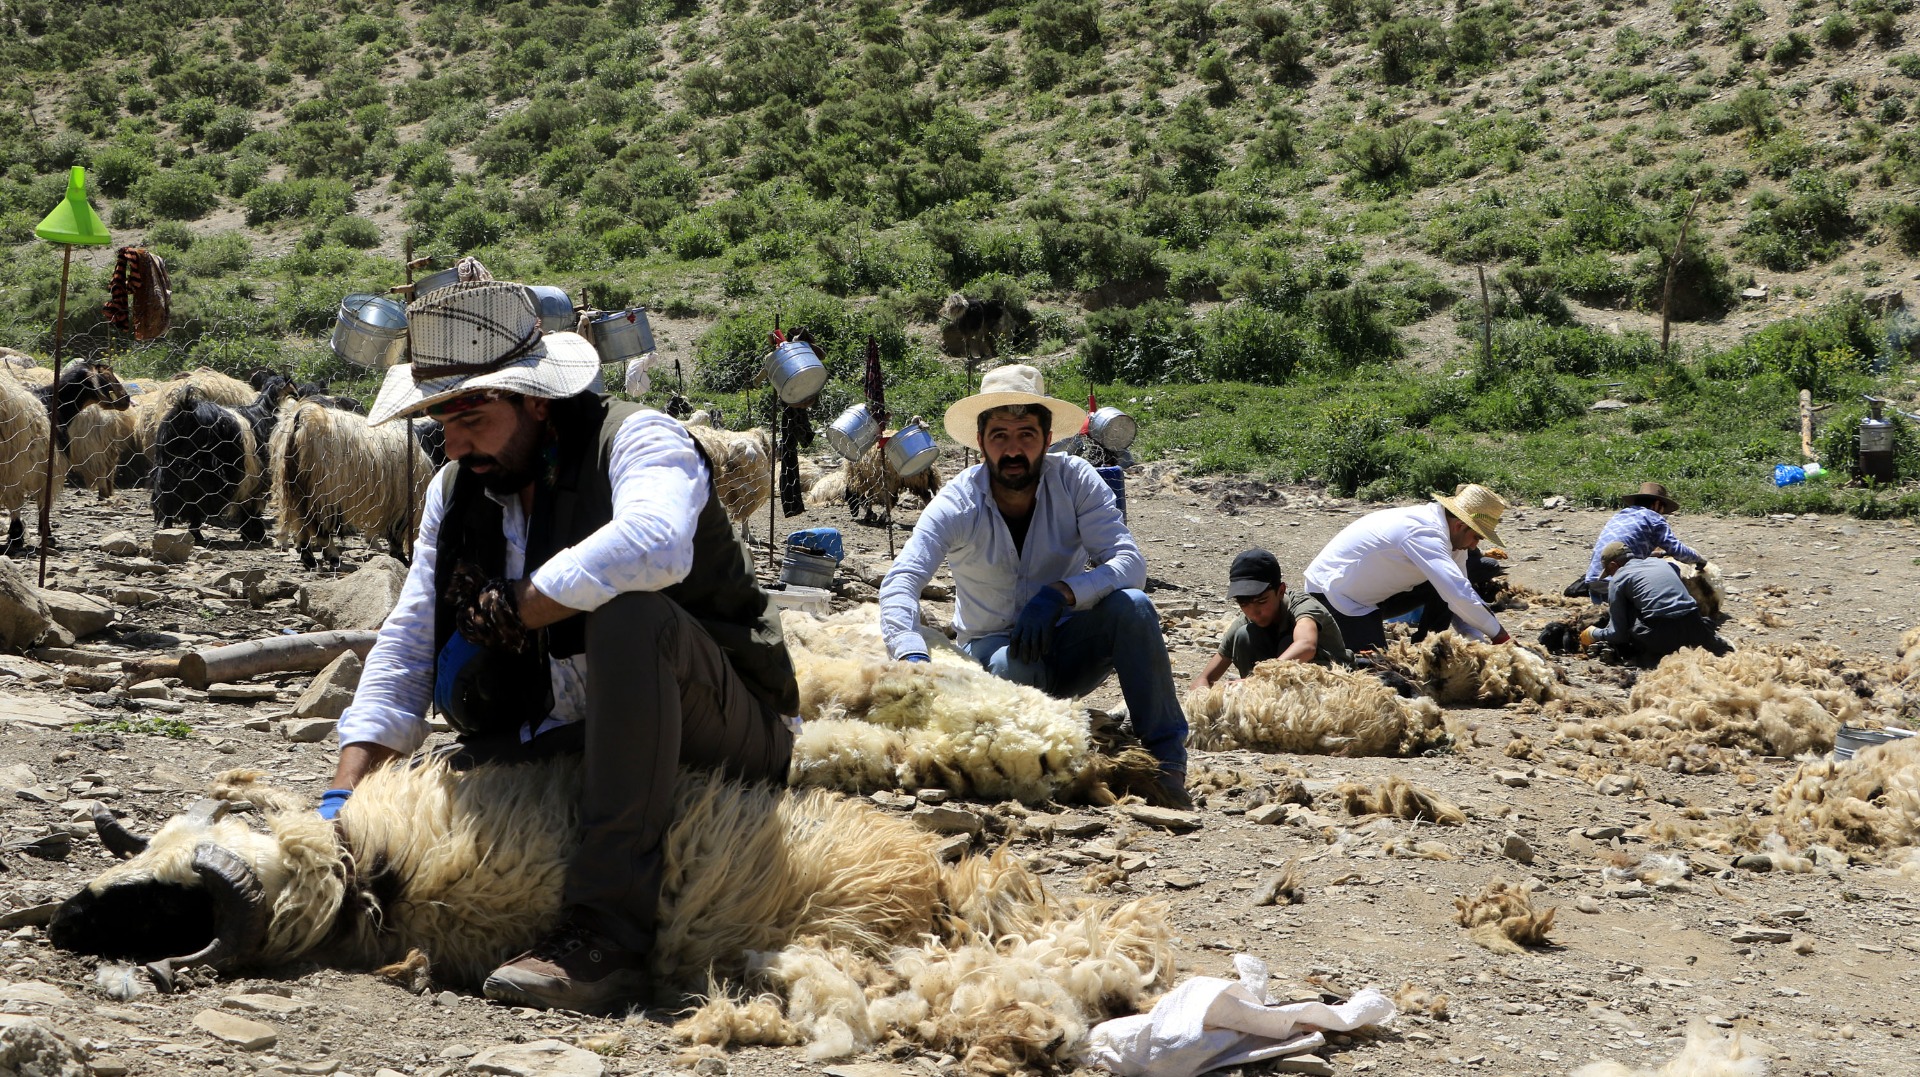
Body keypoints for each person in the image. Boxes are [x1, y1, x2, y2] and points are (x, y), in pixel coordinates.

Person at [328, 282, 799, 1014]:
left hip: (722, 716)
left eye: (472, 417)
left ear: (536, 401)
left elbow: (657, 543)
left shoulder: (639, 439)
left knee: (628, 614)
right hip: (570, 729)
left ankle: (607, 937)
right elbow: (408, 639)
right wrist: (342, 796)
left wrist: (527, 602)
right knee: (433, 783)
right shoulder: (457, 490)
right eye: (440, 420)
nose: (452, 444)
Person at [878, 365, 1191, 807]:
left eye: (1026, 434)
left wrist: (1060, 593)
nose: (1013, 449)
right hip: (994, 656)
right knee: (1014, 663)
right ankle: (1041, 763)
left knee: (1134, 606)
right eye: (1000, 435)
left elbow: (1129, 564)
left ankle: (1166, 760)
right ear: (981, 441)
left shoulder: (1076, 480)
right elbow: (902, 579)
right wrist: (911, 654)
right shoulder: (957, 501)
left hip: (1066, 643)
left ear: (1047, 439)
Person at [1302, 485, 1514, 655]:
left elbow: (1462, 592)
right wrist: (1502, 639)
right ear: (1460, 525)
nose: (1476, 546)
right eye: (1476, 536)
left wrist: (1478, 643)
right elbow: (1459, 596)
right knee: (1375, 669)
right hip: (1334, 595)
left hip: (1373, 592)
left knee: (1446, 583)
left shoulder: (1453, 538)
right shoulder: (1423, 531)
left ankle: (1428, 648)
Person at [1191, 549, 1350, 689]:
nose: (1254, 613)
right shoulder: (1246, 620)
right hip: (1272, 688)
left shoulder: (1303, 607)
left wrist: (1256, 680)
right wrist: (1203, 699)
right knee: (1244, 636)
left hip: (1328, 684)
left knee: (1288, 643)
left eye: (1261, 601)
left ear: (1281, 591)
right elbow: (1204, 678)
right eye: (1243, 603)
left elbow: (1306, 646)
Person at [1582, 541, 1730, 663]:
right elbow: (1674, 575)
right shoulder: (1661, 563)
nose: (1611, 575)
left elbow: (1618, 634)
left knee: (1629, 609)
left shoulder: (1618, 579)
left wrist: (1594, 633)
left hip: (1662, 638)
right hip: (1697, 628)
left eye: (1609, 571)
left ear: (1613, 565)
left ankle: (1649, 656)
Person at [1582, 482, 1706, 602]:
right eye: (1663, 509)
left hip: (1594, 586)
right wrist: (1699, 559)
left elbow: (1625, 551)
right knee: (1671, 569)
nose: (1662, 513)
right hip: (1616, 587)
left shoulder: (1619, 516)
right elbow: (1677, 550)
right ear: (1657, 504)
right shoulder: (1654, 518)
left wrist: (1658, 554)